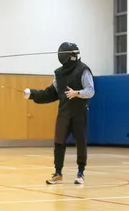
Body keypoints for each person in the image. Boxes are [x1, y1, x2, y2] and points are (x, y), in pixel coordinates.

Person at [24, 42, 94, 185]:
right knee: (59, 142)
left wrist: (77, 93)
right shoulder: (59, 74)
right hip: (64, 113)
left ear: (71, 56)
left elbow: (91, 90)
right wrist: (32, 94)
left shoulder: (83, 70)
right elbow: (50, 93)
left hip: (79, 114)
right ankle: (58, 174)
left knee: (81, 142)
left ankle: (81, 172)